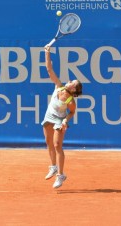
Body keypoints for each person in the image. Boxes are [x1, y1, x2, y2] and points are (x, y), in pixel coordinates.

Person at [41, 44, 83, 189]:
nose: (70, 81)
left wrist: (65, 120)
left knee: (57, 145)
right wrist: (47, 53)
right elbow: (49, 70)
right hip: (48, 116)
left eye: (73, 82)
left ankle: (60, 175)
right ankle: (52, 167)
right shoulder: (58, 86)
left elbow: (72, 112)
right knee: (49, 143)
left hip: (59, 120)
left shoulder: (70, 100)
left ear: (73, 89)